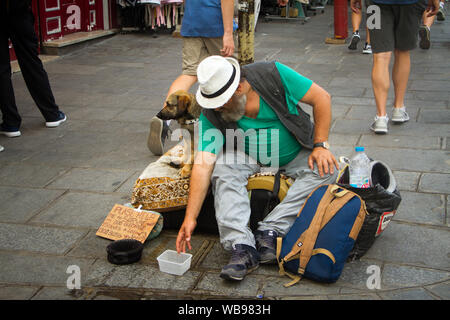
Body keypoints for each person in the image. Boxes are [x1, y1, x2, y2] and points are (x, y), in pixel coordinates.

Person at [175, 55, 339, 281]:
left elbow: (322, 98)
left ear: (240, 87)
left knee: (327, 170)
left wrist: (321, 145)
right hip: (246, 153)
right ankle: (241, 246)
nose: (219, 107)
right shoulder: (211, 111)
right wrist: (190, 217)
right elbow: (203, 164)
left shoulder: (273, 74)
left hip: (295, 150)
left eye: (223, 101)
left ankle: (270, 230)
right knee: (222, 168)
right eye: (214, 103)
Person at [147, 0, 237, 156]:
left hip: (192, 23)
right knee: (230, 74)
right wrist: (228, 33)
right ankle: (232, 126)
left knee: (189, 73)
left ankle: (165, 117)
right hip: (216, 24)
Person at [352, 0, 440, 134]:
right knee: (403, 52)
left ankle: (381, 117)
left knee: (380, 56)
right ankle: (399, 108)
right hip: (411, 3)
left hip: (376, 3)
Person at [0, 0, 66, 138]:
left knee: (2, 69)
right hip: (19, 10)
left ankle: (11, 122)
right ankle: (51, 114)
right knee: (31, 63)